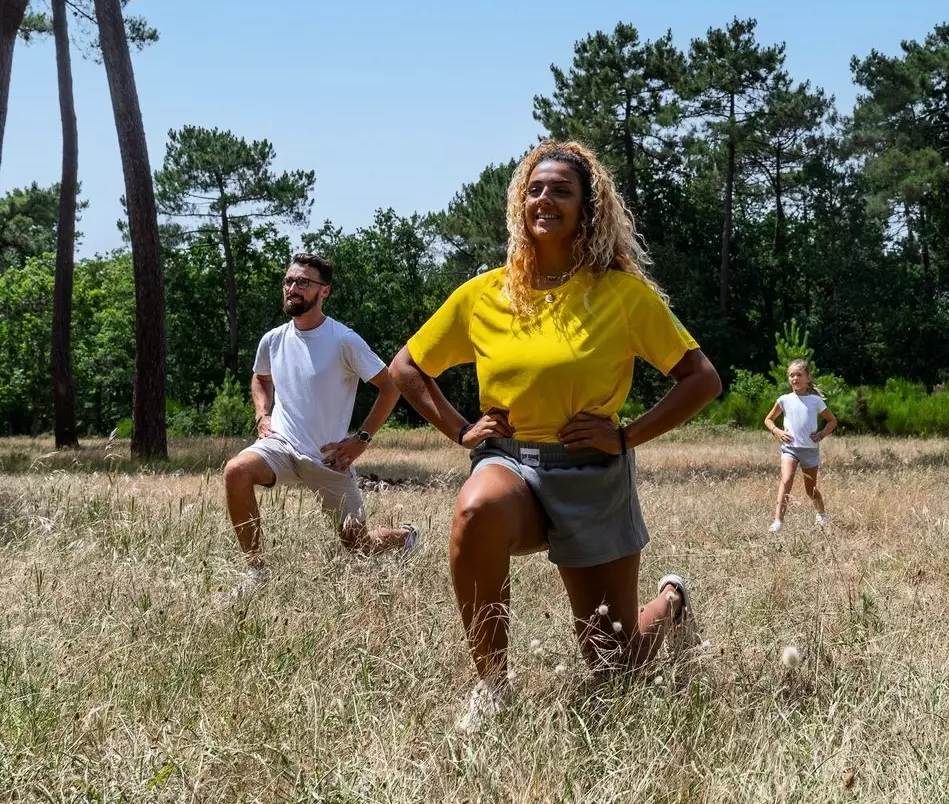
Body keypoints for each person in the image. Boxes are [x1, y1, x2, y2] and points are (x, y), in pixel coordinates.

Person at [390, 141, 722, 731]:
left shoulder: (621, 294)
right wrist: (462, 430)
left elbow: (702, 379)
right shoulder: (484, 293)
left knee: (614, 668)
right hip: (509, 465)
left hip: (591, 472)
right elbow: (407, 367)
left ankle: (671, 603)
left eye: (562, 191)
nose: (545, 199)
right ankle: (492, 687)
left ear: (588, 210)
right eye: (535, 189)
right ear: (521, 204)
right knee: (474, 509)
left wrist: (626, 437)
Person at [220, 254, 418, 602]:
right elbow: (261, 377)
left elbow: (391, 386)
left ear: (324, 291)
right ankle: (256, 571)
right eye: (288, 281)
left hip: (328, 459)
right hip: (280, 446)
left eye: (302, 282)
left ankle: (406, 537)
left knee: (359, 545)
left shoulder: (344, 340)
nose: (292, 288)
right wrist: (262, 415)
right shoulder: (273, 340)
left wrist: (362, 439)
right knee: (236, 471)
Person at [763, 358, 838, 532]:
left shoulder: (815, 401)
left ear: (808, 377)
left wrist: (821, 434)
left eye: (799, 374)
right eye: (791, 375)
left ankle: (821, 513)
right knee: (786, 480)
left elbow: (832, 421)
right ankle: (778, 521)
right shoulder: (784, 400)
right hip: (789, 448)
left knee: (810, 489)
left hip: (809, 450)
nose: (795, 378)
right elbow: (768, 419)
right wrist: (777, 431)